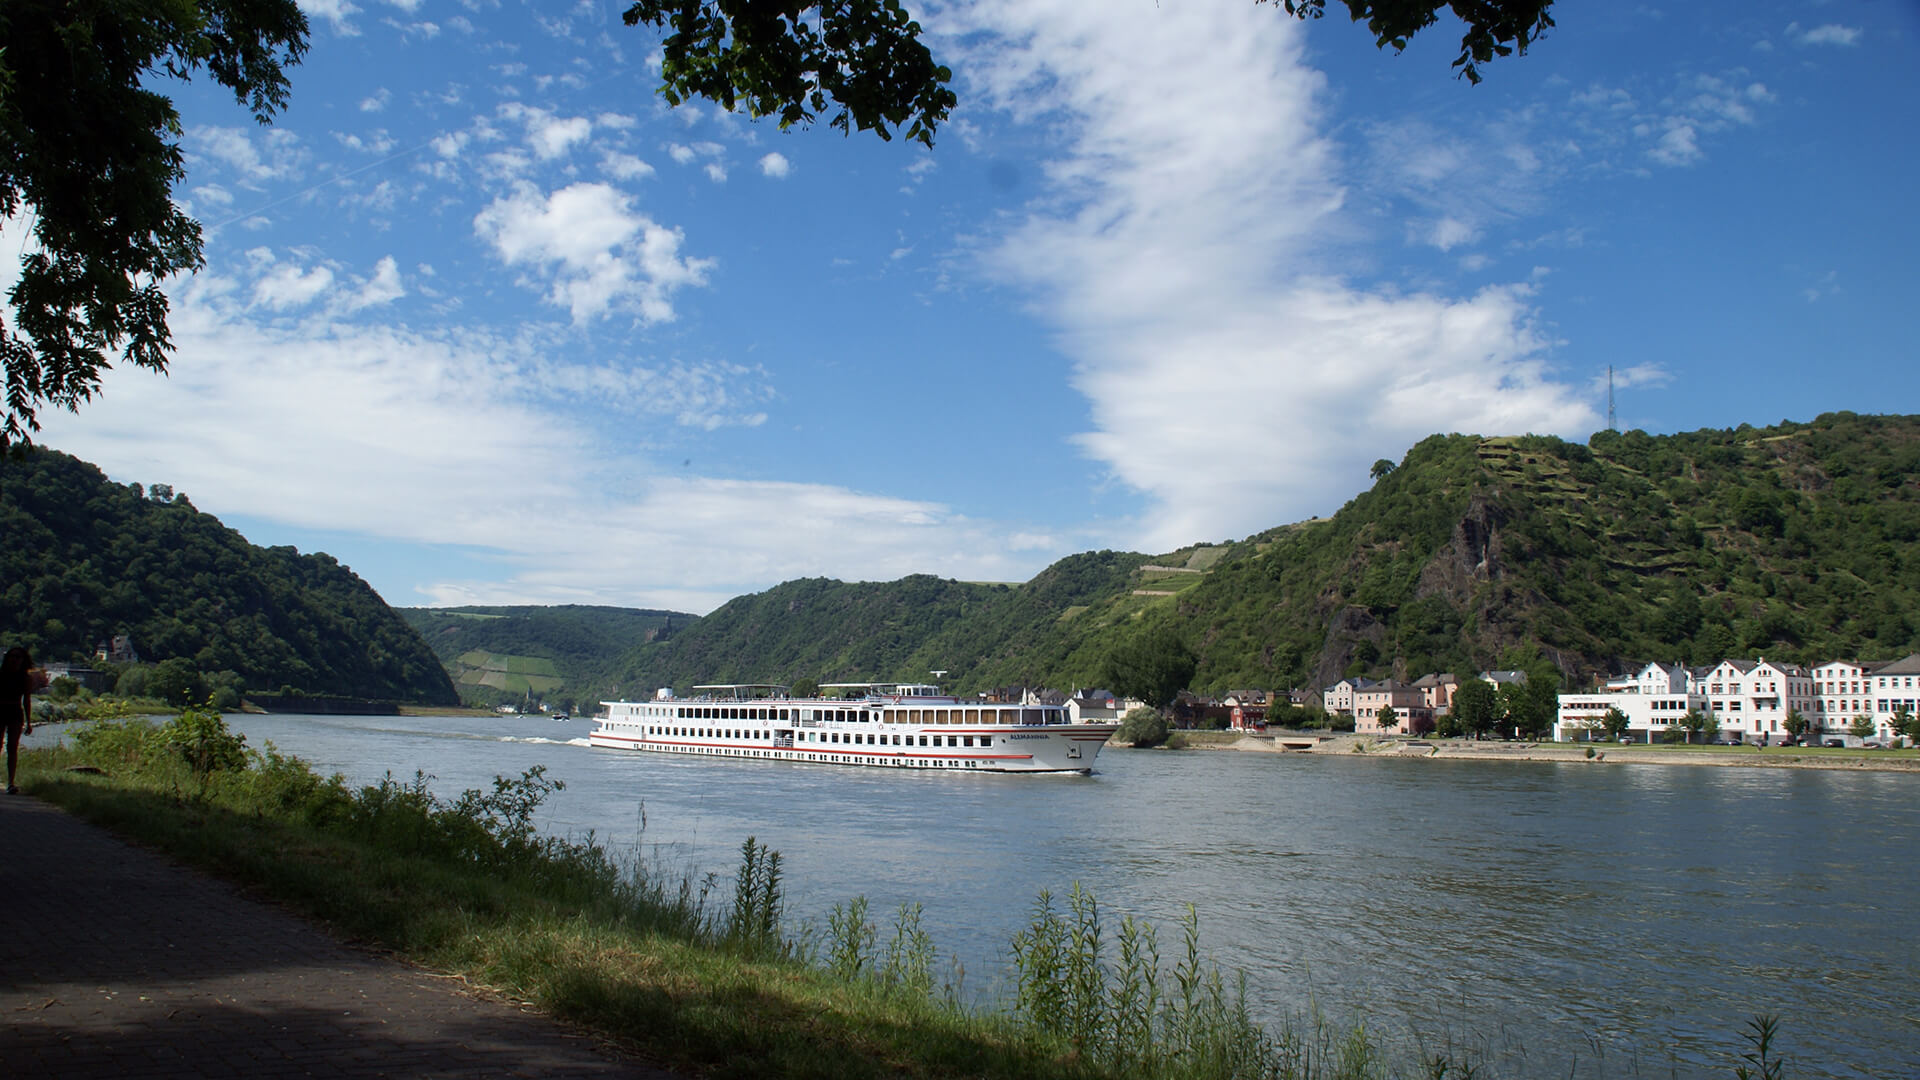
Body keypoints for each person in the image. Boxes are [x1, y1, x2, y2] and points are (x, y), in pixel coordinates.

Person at [2, 646, 33, 794]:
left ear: (23, 660)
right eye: (12, 656)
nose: (14, 659)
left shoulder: (25, 678)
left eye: (18, 657)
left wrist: (28, 722)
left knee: (12, 748)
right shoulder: (1, 675)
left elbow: (26, 700)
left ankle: (10, 782)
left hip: (15, 712)